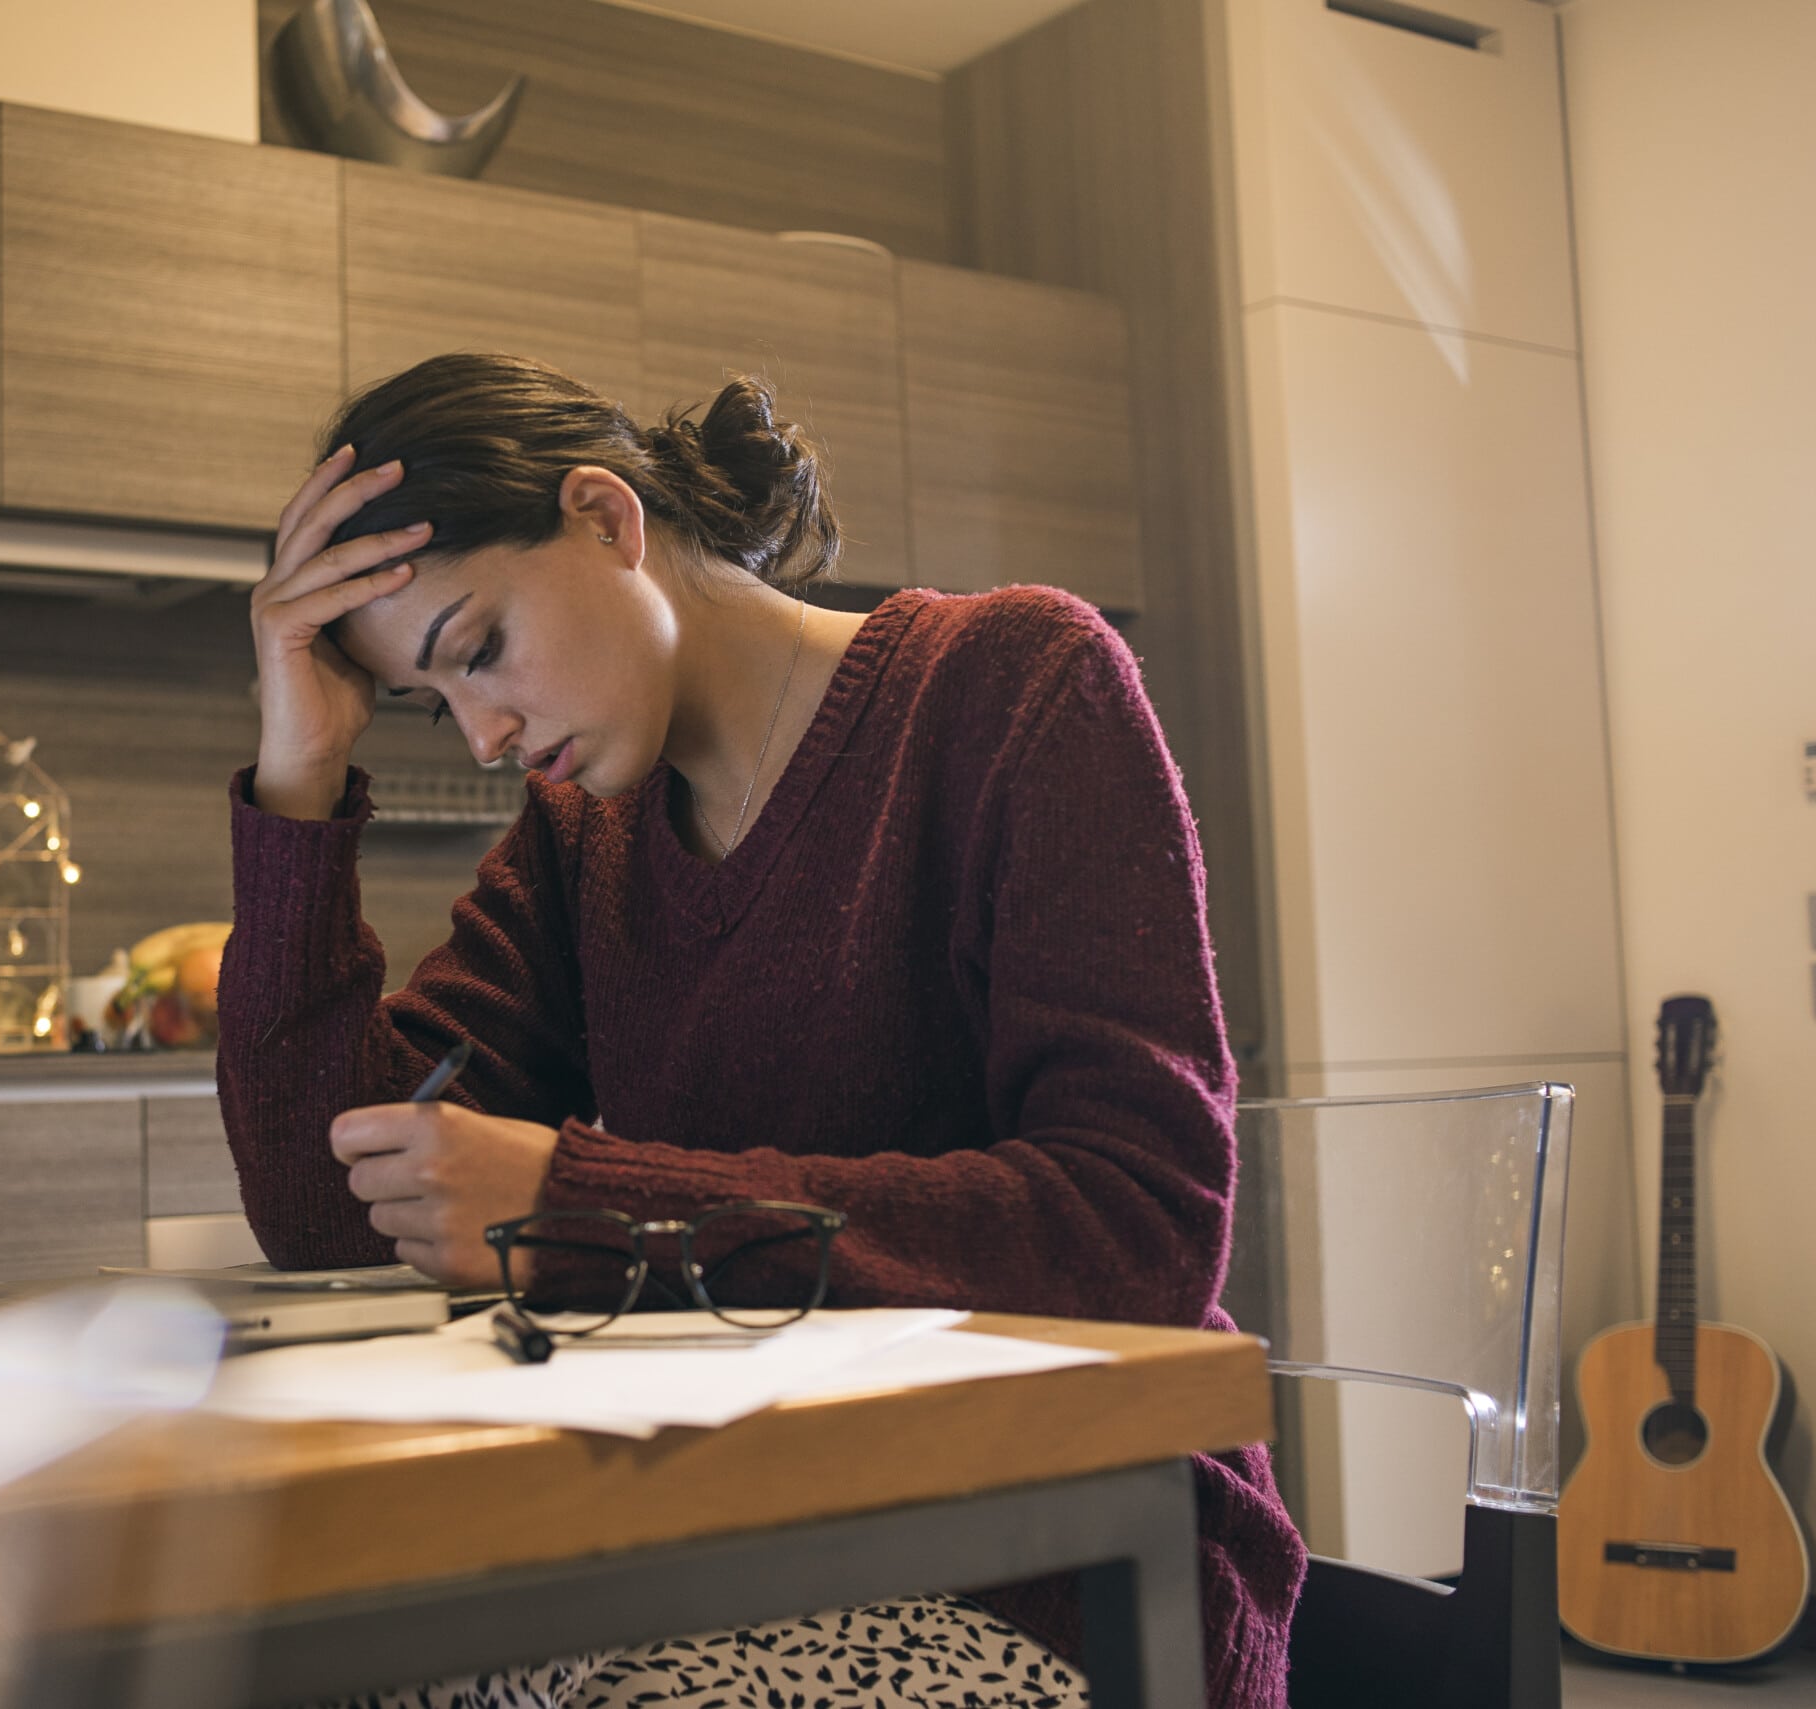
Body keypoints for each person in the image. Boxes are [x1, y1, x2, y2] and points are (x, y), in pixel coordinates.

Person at [216, 352, 1305, 1709]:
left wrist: (585, 1203)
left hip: (1065, 1568)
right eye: (440, 704)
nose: (484, 736)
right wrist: (298, 780)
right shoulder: (579, 846)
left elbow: (1137, 1229)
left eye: (479, 650)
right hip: (747, 1545)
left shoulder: (1017, 685)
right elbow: (326, 1207)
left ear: (607, 520)